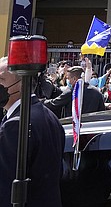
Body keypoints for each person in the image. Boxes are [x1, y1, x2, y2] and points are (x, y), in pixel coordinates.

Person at [0, 56, 65, 207]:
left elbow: (5, 188)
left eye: (2, 79)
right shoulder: (50, 116)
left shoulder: (15, 125)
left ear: (22, 84)